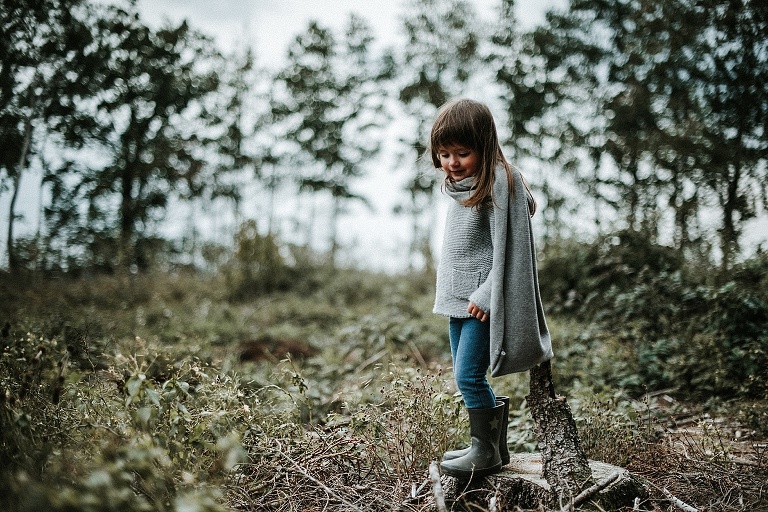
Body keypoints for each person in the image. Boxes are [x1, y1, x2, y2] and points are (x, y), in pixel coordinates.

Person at [430, 98, 553, 480]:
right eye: (444, 153)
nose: (452, 162)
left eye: (462, 153)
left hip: (482, 301)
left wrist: (487, 294)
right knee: (464, 373)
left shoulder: (501, 182)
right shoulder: (462, 186)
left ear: (484, 145)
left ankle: (483, 450)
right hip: (457, 299)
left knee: (468, 376)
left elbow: (511, 250)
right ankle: (494, 448)